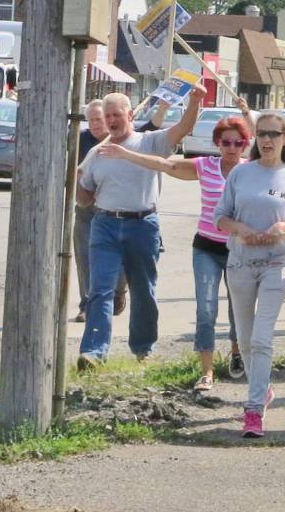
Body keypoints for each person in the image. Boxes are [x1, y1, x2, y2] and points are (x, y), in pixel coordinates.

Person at [96, 114, 252, 391]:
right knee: (206, 309)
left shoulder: (252, 171)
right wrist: (125, 153)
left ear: (245, 145)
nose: (231, 147)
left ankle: (237, 352)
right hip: (206, 248)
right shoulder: (205, 166)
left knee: (238, 308)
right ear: (217, 143)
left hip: (239, 250)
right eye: (225, 142)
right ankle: (206, 371)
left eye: (237, 142)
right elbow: (166, 165)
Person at [75, 87, 204, 369]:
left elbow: (183, 128)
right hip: (105, 225)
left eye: (116, 114)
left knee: (143, 290)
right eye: (107, 116)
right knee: (100, 290)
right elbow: (83, 199)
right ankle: (94, 353)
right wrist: (78, 180)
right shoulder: (97, 153)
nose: (111, 120)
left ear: (130, 115)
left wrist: (195, 101)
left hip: (142, 225)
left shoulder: (150, 142)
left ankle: (143, 347)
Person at [215, 113, 285, 438]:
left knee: (261, 337)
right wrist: (241, 228)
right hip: (241, 262)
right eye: (262, 134)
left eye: (274, 134)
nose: (267, 140)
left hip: (276, 264)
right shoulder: (241, 173)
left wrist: (284, 228)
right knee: (244, 340)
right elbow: (221, 217)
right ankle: (263, 388)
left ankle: (254, 410)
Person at [73, 100, 126, 323]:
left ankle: (118, 291)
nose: (95, 124)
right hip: (87, 210)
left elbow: (152, 127)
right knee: (84, 257)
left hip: (115, 211)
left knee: (121, 259)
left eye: (99, 119)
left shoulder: (121, 140)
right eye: (91, 120)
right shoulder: (79, 139)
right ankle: (87, 304)